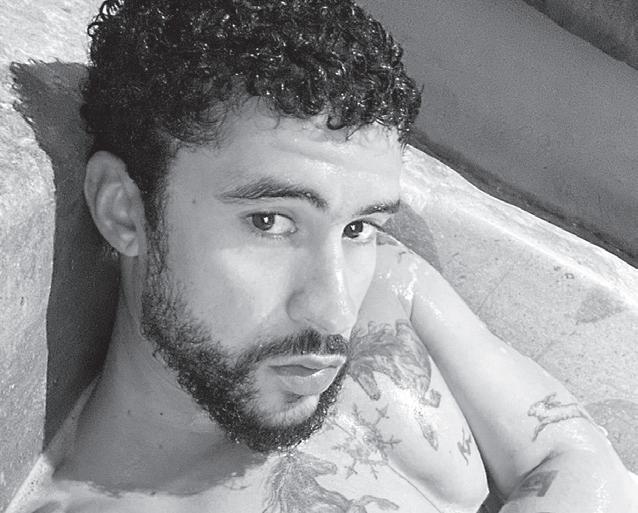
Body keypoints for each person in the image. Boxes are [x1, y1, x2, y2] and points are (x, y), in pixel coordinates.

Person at [25, 0, 636, 512]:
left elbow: (573, 452)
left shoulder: (388, 284)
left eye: (358, 226)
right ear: (124, 211)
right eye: (270, 221)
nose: (336, 309)